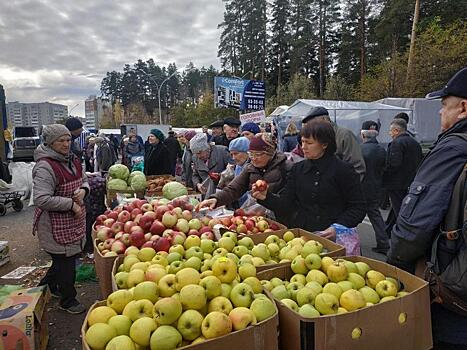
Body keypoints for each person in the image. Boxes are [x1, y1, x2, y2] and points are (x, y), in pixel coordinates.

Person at [387, 67, 467, 348]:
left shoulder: (453, 148)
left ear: (463, 108)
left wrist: (394, 269)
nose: (439, 113)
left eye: (444, 105)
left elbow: (415, 223)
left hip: (455, 294)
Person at [251, 120, 366, 241]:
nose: (304, 147)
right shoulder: (298, 170)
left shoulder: (343, 170)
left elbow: (357, 207)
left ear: (324, 144)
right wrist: (265, 197)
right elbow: (286, 204)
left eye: (309, 143)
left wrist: (338, 227)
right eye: (302, 142)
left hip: (336, 239)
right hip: (304, 237)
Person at [33, 124, 88, 314]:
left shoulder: (72, 159)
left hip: (72, 222)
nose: (66, 144)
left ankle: (44, 288)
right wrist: (71, 204)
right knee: (65, 264)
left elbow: (84, 179)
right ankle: (68, 300)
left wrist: (84, 190)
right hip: (54, 225)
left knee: (62, 261)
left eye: (68, 140)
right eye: (60, 141)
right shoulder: (45, 166)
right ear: (50, 143)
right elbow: (41, 199)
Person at [197, 133, 292, 221]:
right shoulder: (250, 168)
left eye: (258, 154)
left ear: (270, 153)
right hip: (259, 219)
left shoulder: (286, 168)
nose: (253, 158)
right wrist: (216, 199)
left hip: (282, 220)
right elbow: (234, 188)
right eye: (251, 154)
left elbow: (288, 201)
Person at [302, 106, 366, 181]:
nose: (311, 127)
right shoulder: (312, 137)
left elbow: (357, 166)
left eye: (314, 123)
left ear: (324, 119)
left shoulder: (344, 135)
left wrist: (347, 189)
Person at [383, 118, 422, 236]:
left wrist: (384, 174)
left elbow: (394, 164)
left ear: (396, 130)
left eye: (390, 131)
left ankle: (403, 234)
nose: (390, 134)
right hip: (410, 181)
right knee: (398, 208)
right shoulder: (415, 143)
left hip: (396, 183)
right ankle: (388, 230)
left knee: (399, 208)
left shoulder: (397, 143)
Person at [360, 121, 389, 254]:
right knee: (375, 216)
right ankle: (383, 242)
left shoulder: (360, 150)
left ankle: (349, 243)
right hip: (376, 187)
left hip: (361, 188)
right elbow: (385, 168)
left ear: (363, 135)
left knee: (352, 216)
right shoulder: (382, 150)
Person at [190, 133, 231, 197]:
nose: (198, 156)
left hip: (223, 192)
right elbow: (195, 175)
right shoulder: (195, 158)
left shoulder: (222, 151)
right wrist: (198, 184)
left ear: (207, 147)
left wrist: (220, 175)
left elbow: (232, 169)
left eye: (200, 153)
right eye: (196, 154)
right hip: (206, 194)